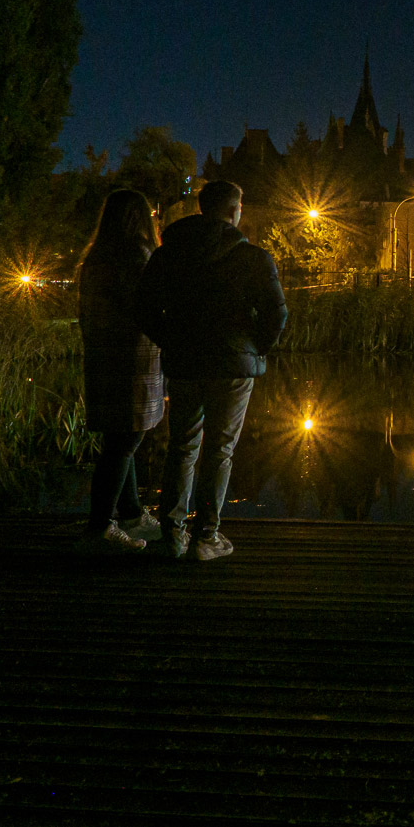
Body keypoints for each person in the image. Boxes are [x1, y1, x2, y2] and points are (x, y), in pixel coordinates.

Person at [137, 179, 287, 561]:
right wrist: (257, 347)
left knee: (182, 446)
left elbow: (146, 307)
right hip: (235, 365)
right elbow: (276, 312)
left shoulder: (168, 254)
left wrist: (170, 339)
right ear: (235, 211)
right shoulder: (253, 257)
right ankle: (207, 537)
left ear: (201, 208)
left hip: (186, 361)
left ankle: (172, 534)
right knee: (220, 449)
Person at [75, 189, 165, 555]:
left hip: (102, 358)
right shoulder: (138, 256)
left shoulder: (95, 258)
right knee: (125, 441)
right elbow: (149, 308)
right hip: (134, 360)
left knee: (119, 437)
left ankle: (130, 513)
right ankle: (100, 527)